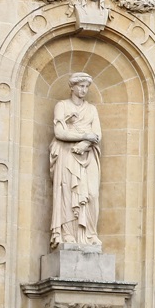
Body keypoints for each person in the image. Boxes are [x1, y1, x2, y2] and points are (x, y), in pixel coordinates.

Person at [50, 72, 103, 249]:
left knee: (91, 194)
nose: (84, 90)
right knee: (68, 192)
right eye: (80, 86)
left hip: (88, 154)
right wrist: (83, 135)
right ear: (72, 87)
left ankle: (90, 234)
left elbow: (97, 134)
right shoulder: (62, 106)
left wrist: (85, 143)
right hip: (67, 154)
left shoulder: (91, 109)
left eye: (86, 87)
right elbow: (59, 133)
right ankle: (68, 234)